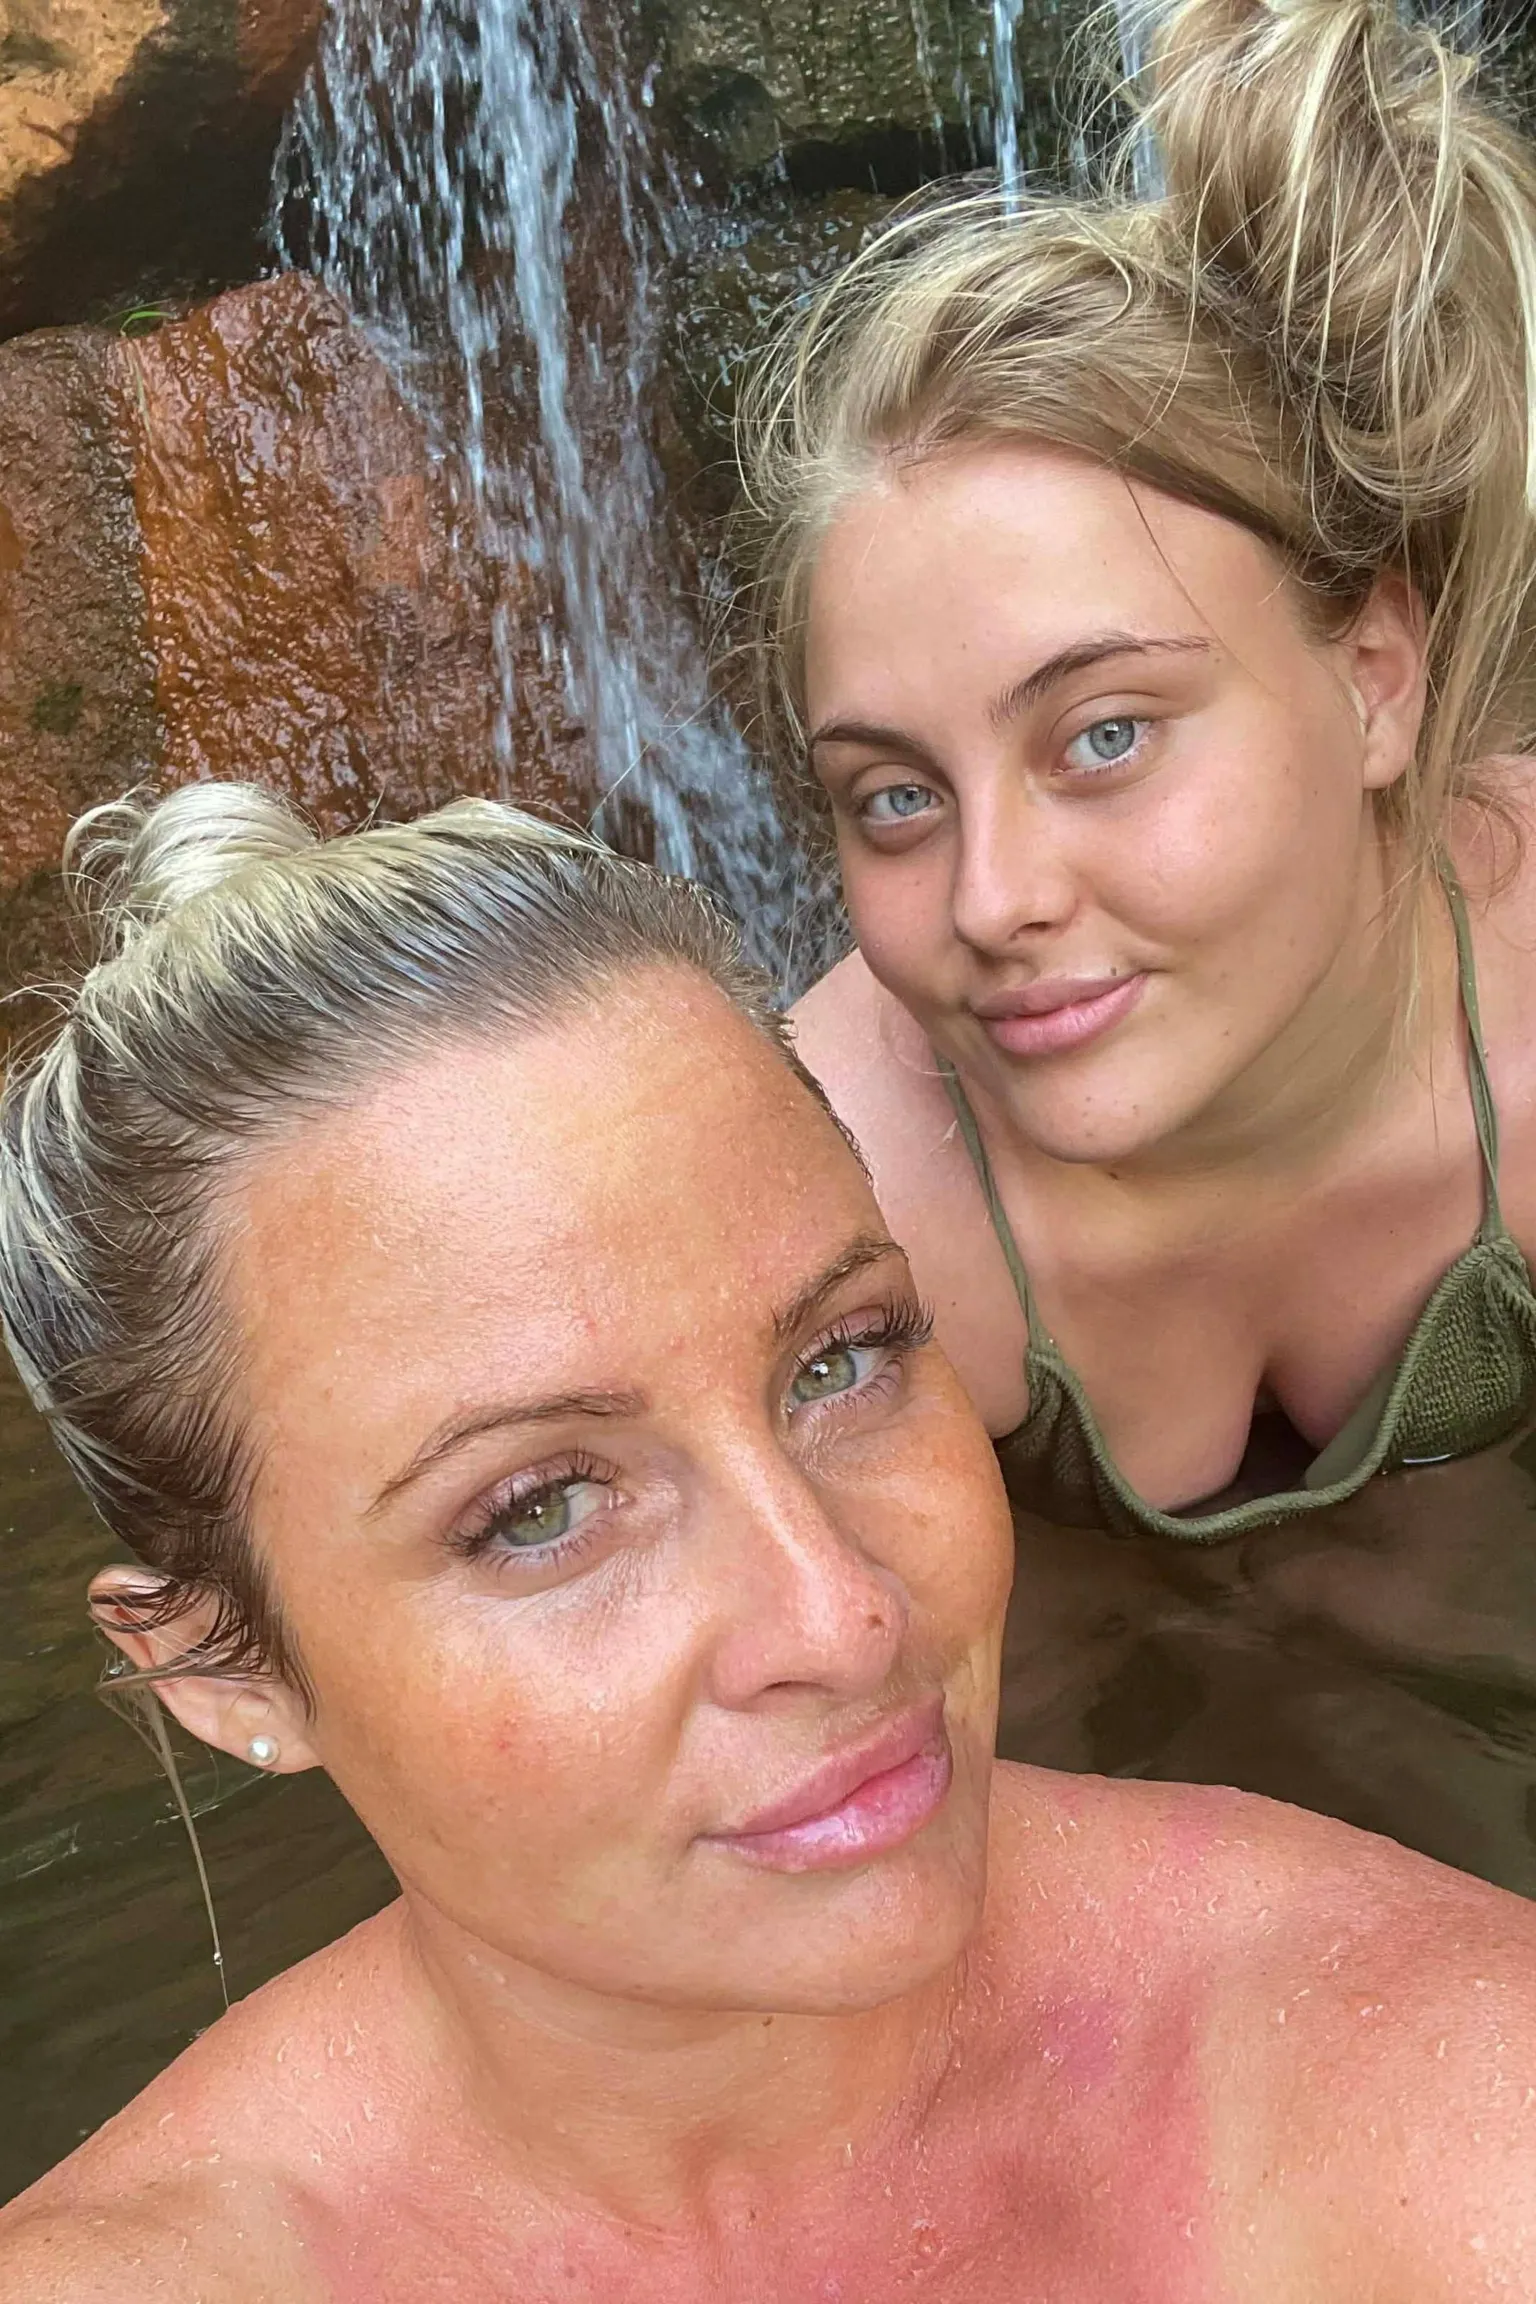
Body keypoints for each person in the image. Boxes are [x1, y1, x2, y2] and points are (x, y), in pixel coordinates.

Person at [0, 779, 1533, 2299]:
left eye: (842, 1361)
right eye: (539, 1509)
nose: (842, 1615)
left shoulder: (1436, 2101)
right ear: (222, 1673)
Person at [741, 0, 1536, 1538]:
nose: (991, 902)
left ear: (1377, 676)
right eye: (896, 797)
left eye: (1105, 736)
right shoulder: (827, 1207)